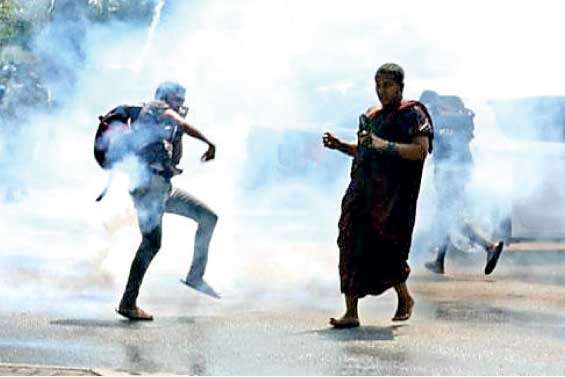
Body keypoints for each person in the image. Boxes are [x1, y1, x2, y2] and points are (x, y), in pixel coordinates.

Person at [322, 63, 433, 328]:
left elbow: (420, 150)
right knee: (350, 244)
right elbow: (365, 150)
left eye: (387, 85)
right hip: (362, 192)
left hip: (391, 199)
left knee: (386, 249)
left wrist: (385, 145)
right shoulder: (372, 114)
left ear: (400, 87)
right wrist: (341, 146)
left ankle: (404, 298)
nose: (381, 91)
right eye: (378, 85)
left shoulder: (413, 114)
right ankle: (351, 312)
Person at [117, 82, 219, 321]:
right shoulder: (156, 107)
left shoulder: (167, 125)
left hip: (163, 190)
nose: (181, 104)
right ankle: (128, 303)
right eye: (177, 98)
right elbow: (181, 122)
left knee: (208, 217)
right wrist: (209, 143)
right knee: (151, 244)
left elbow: (175, 148)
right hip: (148, 189)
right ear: (164, 97)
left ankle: (195, 276)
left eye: (183, 98)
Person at [420, 90, 503, 276]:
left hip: (450, 173)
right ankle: (439, 262)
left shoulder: (436, 119)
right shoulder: (454, 119)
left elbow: (432, 146)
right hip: (457, 171)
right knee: (448, 217)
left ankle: (489, 246)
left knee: (448, 216)